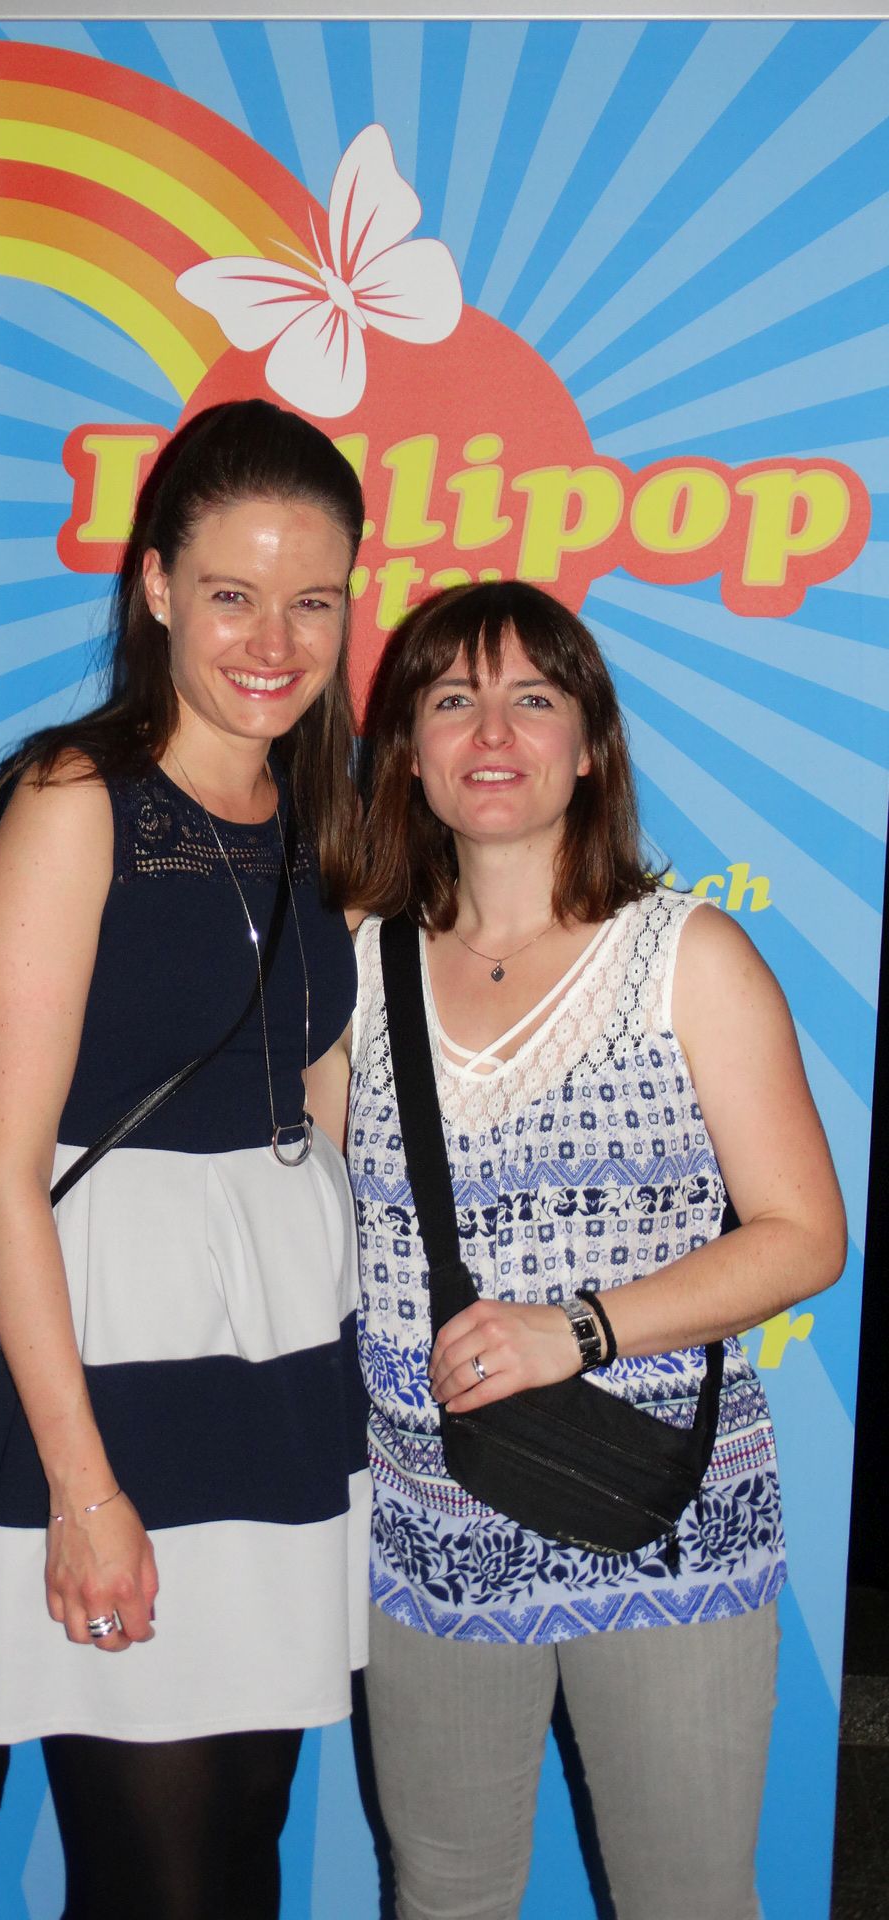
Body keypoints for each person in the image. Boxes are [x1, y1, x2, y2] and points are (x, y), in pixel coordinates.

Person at [340, 579, 846, 1920]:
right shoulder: (358, 971)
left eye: (533, 697)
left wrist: (578, 1329)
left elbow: (805, 1236)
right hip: (433, 1529)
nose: (492, 731)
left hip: (668, 1522)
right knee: (442, 1898)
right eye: (453, 699)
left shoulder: (688, 956)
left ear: (588, 747)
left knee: (688, 1898)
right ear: (407, 751)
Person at [0, 399, 371, 1920]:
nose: (275, 641)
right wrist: (84, 1492)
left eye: (313, 600)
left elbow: (324, 1107)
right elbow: (0, 1173)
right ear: (154, 587)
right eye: (232, 594)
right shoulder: (76, 802)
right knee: (156, 1879)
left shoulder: (317, 810)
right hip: (113, 1377)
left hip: (284, 1369)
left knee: (244, 1841)